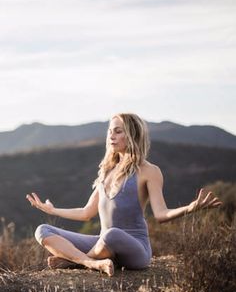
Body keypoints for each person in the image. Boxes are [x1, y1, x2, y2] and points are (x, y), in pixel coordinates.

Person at [26, 113, 222, 277]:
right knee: (43, 230)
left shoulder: (149, 171)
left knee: (112, 235)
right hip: (103, 242)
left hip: (135, 248)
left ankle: (75, 261)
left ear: (132, 136)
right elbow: (86, 212)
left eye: (118, 131)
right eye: (110, 131)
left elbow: (161, 214)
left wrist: (190, 208)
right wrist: (52, 210)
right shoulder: (106, 171)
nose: (111, 136)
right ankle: (91, 263)